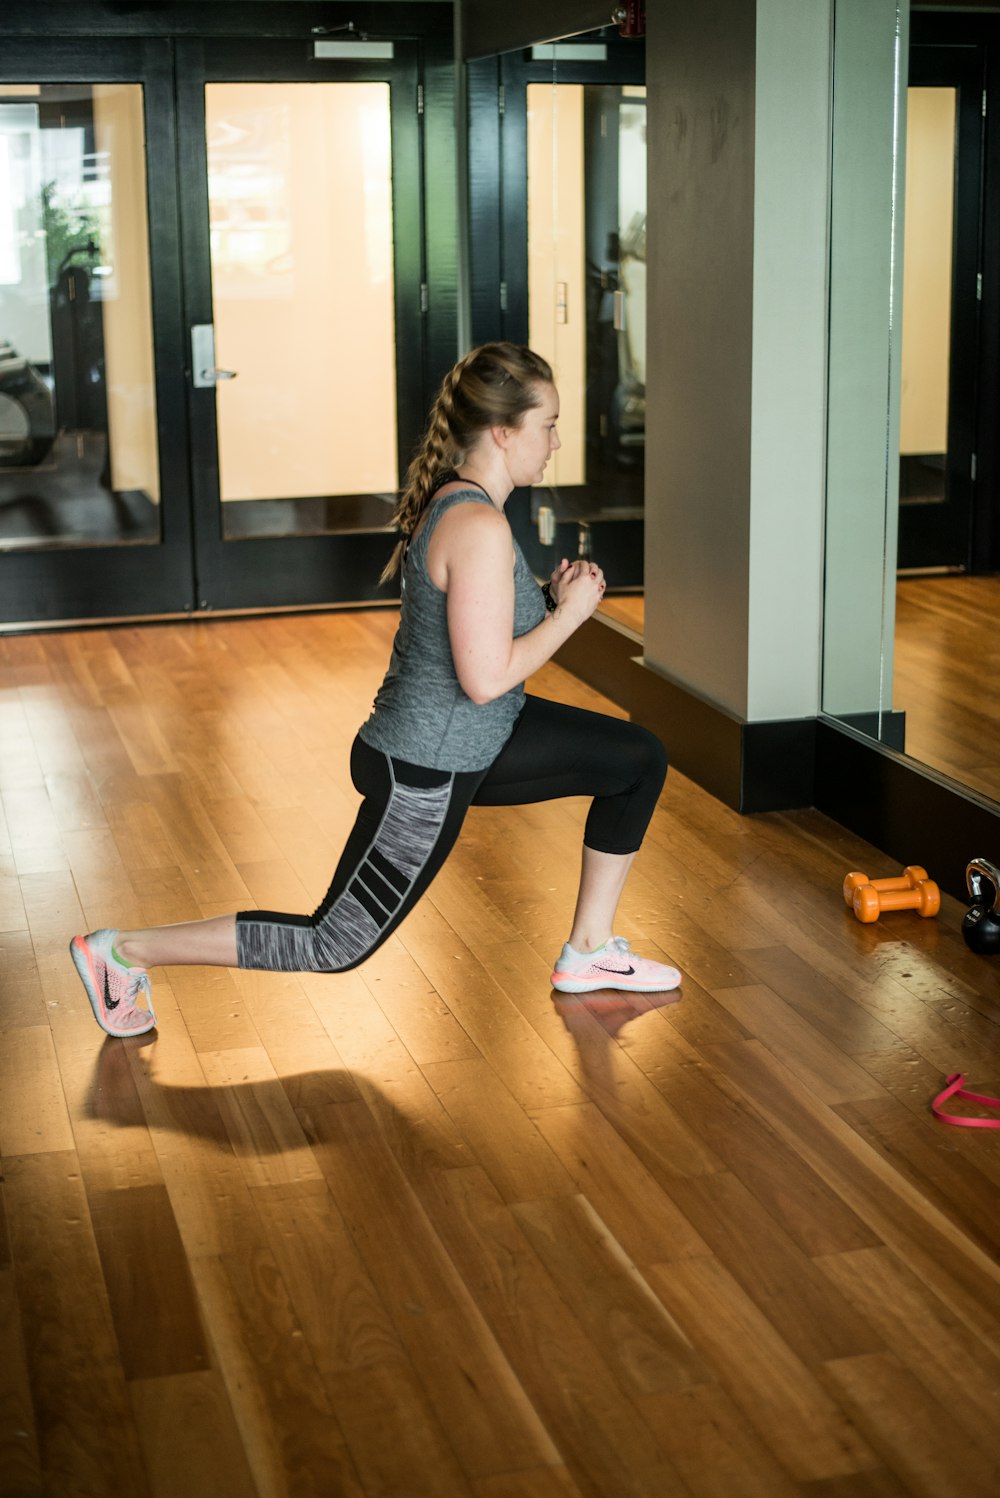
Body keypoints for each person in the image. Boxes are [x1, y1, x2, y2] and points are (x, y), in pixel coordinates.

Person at [70, 342, 680, 1038]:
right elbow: (484, 678)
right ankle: (121, 951)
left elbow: (477, 632)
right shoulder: (477, 523)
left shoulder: (465, 500)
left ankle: (591, 952)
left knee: (635, 759)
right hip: (429, 767)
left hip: (476, 740)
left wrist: (547, 598)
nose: (556, 441)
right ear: (505, 431)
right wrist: (570, 616)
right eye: (547, 425)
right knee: (333, 943)